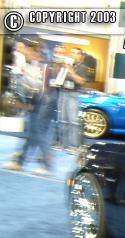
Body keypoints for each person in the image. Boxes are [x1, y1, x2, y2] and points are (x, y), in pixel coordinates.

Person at [4, 42, 52, 174]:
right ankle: (20, 162)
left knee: (38, 134)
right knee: (32, 135)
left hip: (39, 105)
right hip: (33, 105)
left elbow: (42, 89)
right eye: (28, 51)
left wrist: (29, 104)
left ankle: (47, 165)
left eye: (31, 51)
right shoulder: (29, 66)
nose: (28, 53)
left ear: (37, 53)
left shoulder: (43, 68)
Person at [58, 47, 89, 151]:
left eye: (76, 53)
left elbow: (81, 81)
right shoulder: (67, 65)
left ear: (81, 56)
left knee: (73, 122)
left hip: (74, 94)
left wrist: (71, 71)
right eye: (72, 53)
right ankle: (63, 144)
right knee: (62, 120)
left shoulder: (82, 68)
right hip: (63, 92)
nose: (73, 55)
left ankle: (74, 146)